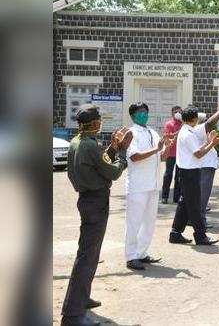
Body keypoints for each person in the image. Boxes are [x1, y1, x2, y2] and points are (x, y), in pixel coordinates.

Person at [61, 104, 132, 326]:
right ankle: (73, 315)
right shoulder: (90, 145)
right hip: (95, 201)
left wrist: (111, 147)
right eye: (98, 119)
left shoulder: (79, 141)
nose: (101, 122)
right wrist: (121, 153)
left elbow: (98, 164)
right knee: (87, 256)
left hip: (87, 199)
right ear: (93, 124)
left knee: (88, 253)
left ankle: (81, 299)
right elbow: (111, 171)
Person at [124, 103, 173, 271]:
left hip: (153, 184)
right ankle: (131, 256)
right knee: (134, 222)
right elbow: (134, 157)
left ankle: (142, 252)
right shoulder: (131, 133)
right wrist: (156, 149)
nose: (144, 114)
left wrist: (167, 147)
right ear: (133, 115)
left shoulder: (152, 132)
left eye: (145, 111)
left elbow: (161, 156)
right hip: (137, 185)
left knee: (149, 221)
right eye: (140, 112)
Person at [169, 104, 219, 246]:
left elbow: (208, 124)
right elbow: (199, 154)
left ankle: (175, 233)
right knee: (194, 205)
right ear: (194, 119)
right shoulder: (188, 134)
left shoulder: (188, 130)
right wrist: (212, 143)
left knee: (184, 203)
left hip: (187, 172)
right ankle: (200, 236)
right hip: (190, 173)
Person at [198, 113, 219, 229]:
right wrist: (212, 142)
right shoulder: (199, 135)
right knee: (203, 196)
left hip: (209, 167)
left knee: (203, 196)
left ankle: (197, 219)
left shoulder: (206, 134)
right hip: (205, 167)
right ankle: (201, 221)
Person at [161, 106, 183, 204]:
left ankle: (176, 197)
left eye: (179, 112)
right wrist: (178, 132)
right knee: (168, 174)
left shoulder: (183, 124)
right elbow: (167, 135)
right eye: (175, 112)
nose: (177, 113)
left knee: (178, 176)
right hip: (171, 153)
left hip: (181, 154)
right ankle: (164, 196)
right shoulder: (169, 124)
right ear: (172, 113)